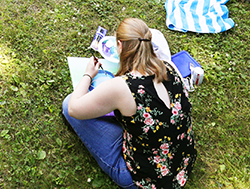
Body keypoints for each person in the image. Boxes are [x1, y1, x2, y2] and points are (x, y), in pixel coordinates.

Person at [62, 18, 197, 188]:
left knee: (68, 103)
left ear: (119, 45)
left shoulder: (123, 87)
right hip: (181, 164)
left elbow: (74, 108)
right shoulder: (168, 66)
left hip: (144, 179)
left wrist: (88, 74)